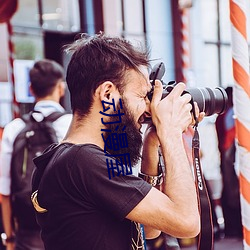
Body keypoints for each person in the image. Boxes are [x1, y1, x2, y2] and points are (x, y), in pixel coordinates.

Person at [31, 33, 202, 250]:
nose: (149, 108)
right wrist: (172, 132)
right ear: (107, 93)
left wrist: (151, 144)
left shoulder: (71, 158)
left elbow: (149, 228)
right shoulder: (84, 162)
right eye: (142, 96)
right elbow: (186, 222)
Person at [0, 59, 72, 250]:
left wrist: (9, 238)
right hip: (67, 230)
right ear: (60, 88)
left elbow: (5, 191)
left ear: (31, 89)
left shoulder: (13, 128)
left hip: (27, 232)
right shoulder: (71, 124)